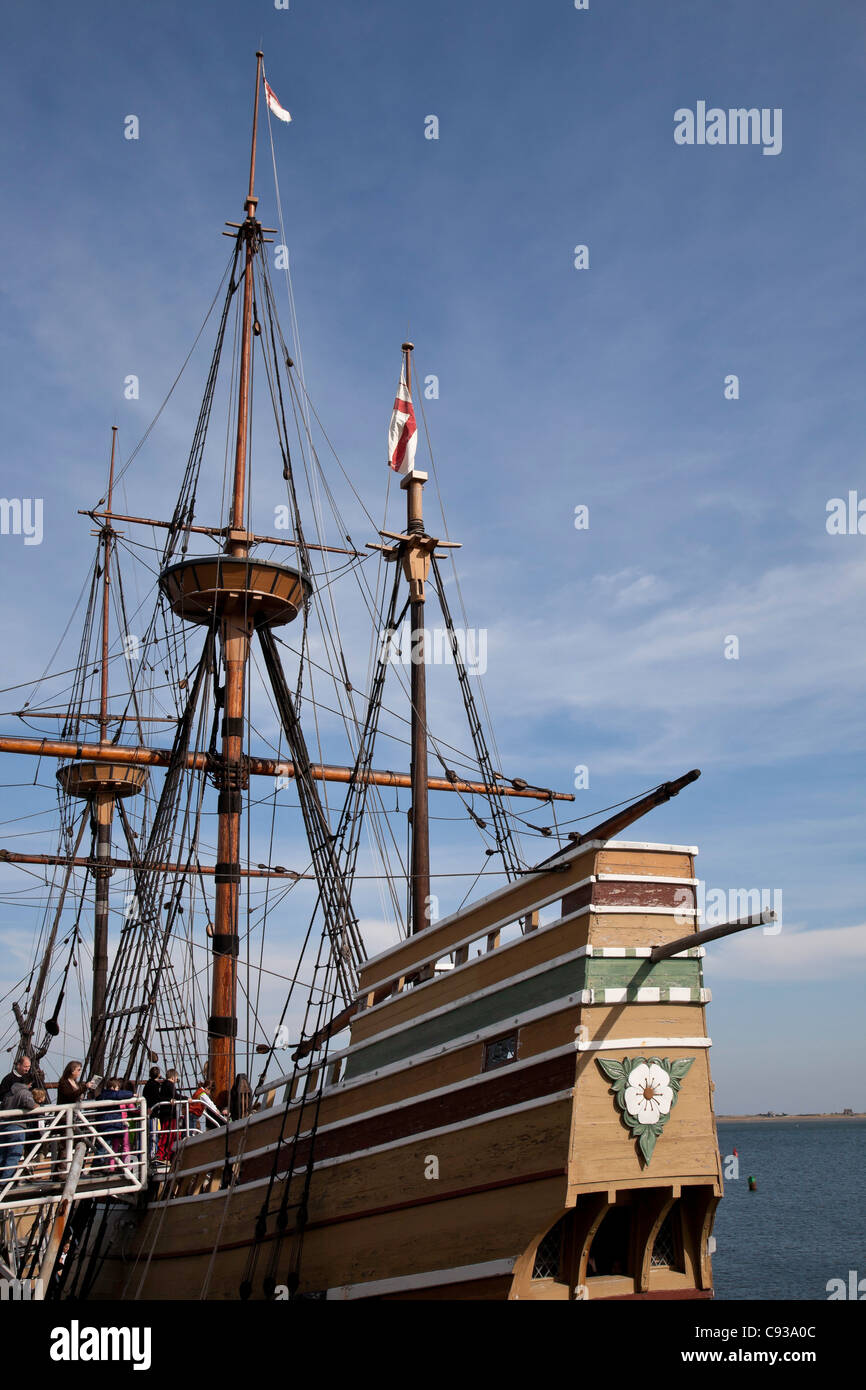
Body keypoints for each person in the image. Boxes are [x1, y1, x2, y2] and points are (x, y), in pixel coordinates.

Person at [0, 1078, 39, 1182]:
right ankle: (4, 1182)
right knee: (14, 1155)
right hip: (17, 1125)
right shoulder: (24, 1092)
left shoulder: (9, 1092)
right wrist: (37, 1105)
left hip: (4, 1125)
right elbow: (30, 1104)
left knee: (3, 1154)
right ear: (29, 1083)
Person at [95, 1078, 135, 1173]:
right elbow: (131, 1106)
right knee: (121, 1146)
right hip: (114, 1125)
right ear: (113, 1088)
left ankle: (110, 1166)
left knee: (111, 1147)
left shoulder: (103, 1095)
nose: (119, 1090)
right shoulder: (112, 1095)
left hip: (114, 1125)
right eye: (117, 1088)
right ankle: (125, 1166)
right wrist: (132, 1095)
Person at [142, 1066, 163, 1158]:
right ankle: (153, 1154)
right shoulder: (156, 1086)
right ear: (158, 1074)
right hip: (153, 1113)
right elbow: (157, 1098)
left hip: (148, 1111)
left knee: (149, 1133)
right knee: (154, 1134)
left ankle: (149, 1153)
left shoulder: (147, 1084)